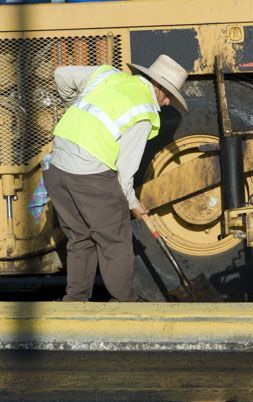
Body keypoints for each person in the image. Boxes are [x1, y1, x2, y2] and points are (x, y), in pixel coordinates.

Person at [44, 54, 189, 302]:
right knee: (115, 239)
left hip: (56, 169)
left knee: (80, 238)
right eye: (168, 97)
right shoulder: (143, 111)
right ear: (159, 87)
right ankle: (124, 304)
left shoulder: (107, 75)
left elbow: (61, 75)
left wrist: (74, 107)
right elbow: (124, 172)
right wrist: (133, 205)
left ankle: (75, 302)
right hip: (88, 175)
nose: (166, 105)